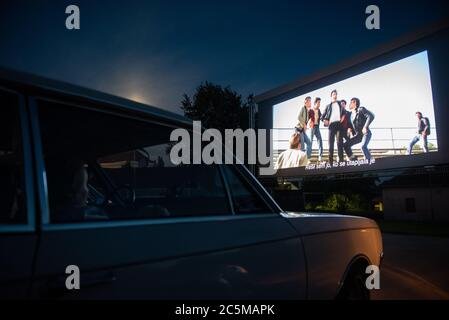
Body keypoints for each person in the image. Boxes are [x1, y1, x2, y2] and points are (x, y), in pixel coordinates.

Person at [321, 89, 345, 163]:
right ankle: (330, 162)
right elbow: (322, 117)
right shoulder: (328, 106)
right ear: (331, 96)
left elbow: (344, 113)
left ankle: (341, 162)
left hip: (339, 125)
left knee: (339, 143)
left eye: (336, 94)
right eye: (333, 94)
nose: (335, 95)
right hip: (331, 126)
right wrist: (325, 121)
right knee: (331, 144)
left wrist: (342, 119)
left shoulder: (340, 104)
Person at [308, 97, 323, 161]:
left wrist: (326, 121)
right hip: (312, 127)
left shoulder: (319, 110)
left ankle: (320, 156)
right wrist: (308, 123)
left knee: (320, 141)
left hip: (317, 127)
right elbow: (307, 118)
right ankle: (308, 157)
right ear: (315, 103)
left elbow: (322, 117)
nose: (319, 104)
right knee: (310, 142)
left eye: (320, 102)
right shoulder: (311, 110)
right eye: (318, 102)